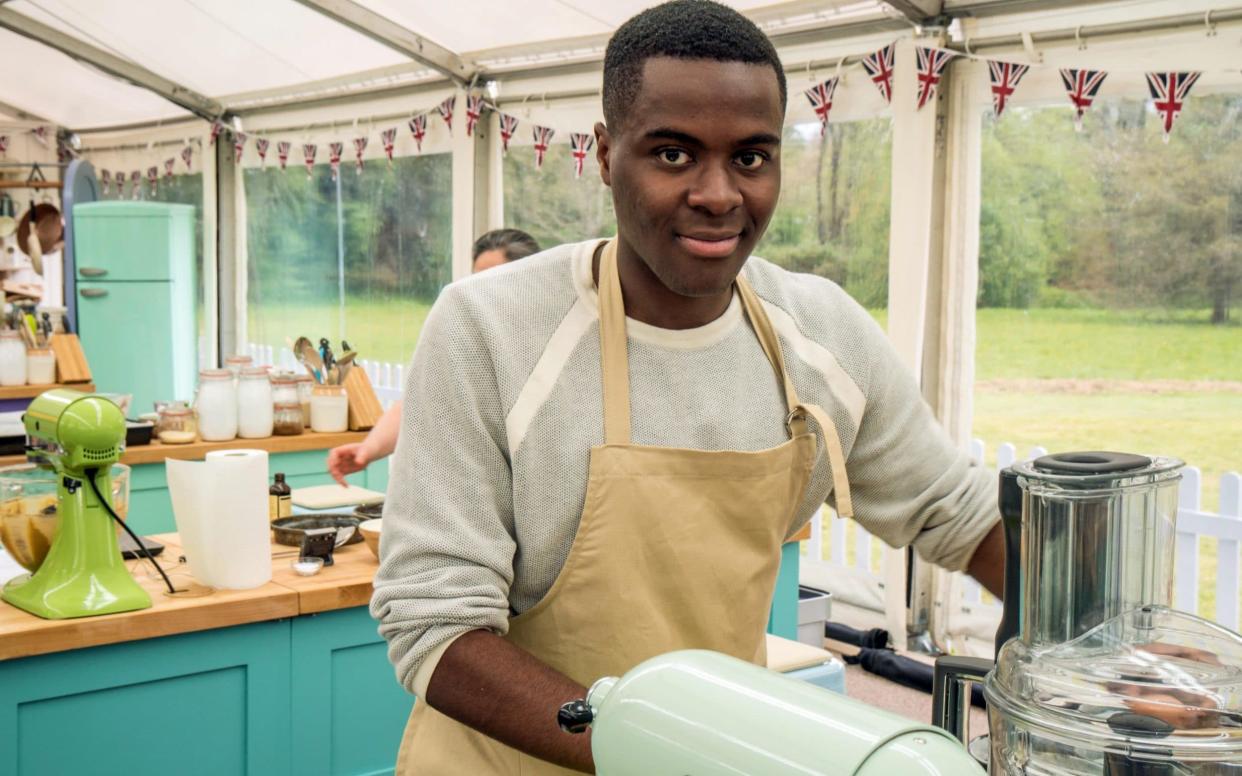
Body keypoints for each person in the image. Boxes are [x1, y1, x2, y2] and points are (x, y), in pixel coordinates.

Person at [371, 2, 1005, 773]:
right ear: (605, 154)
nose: (717, 193)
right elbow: (436, 628)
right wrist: (655, 746)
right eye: (673, 154)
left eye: (750, 157)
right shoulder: (489, 328)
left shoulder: (820, 335)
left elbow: (962, 517)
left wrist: (1095, 638)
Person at [326, 228, 541, 486]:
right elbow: (420, 401)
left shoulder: (549, 341)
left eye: (492, 281)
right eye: (475, 281)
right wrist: (369, 449)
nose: (478, 294)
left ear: (530, 279)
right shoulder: (467, 338)